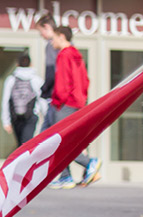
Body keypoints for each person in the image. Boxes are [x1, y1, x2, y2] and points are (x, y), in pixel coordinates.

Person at [41, 26, 101, 189]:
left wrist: (58, 100)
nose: (51, 41)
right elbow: (85, 80)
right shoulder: (76, 54)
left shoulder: (63, 55)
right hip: (77, 102)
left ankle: (88, 162)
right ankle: (65, 176)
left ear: (61, 37)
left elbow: (62, 83)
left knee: (61, 142)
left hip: (65, 103)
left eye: (53, 38)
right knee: (59, 138)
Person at [0, 54, 46, 147]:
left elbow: (5, 101)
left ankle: (24, 161)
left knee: (21, 144)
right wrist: (46, 117)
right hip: (31, 116)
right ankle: (27, 161)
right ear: (31, 64)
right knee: (26, 144)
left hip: (16, 117)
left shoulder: (11, 80)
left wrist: (6, 121)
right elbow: (42, 100)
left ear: (17, 64)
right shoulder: (36, 80)